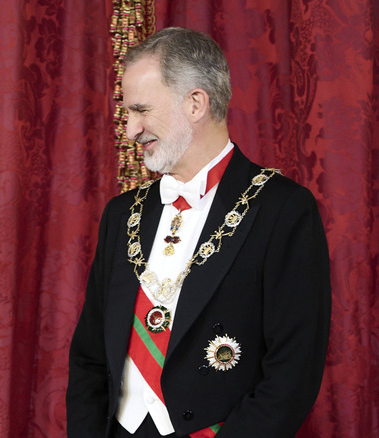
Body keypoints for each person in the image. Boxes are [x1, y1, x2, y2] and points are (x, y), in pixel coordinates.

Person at [67, 28, 330, 438]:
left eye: (141, 110)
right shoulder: (121, 215)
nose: (130, 129)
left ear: (195, 104)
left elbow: (292, 373)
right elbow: (88, 359)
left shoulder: (283, 210)